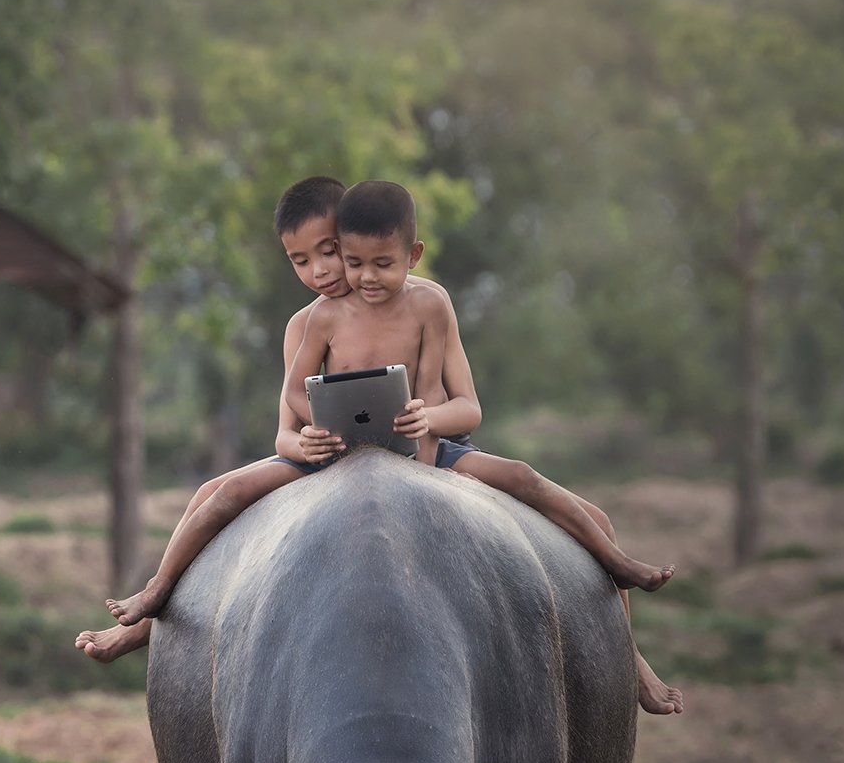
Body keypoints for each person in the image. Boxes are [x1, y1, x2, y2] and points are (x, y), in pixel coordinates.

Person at [77, 177, 683, 715]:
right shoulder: (312, 321)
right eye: (303, 260)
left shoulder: (428, 303)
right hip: (329, 457)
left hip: (426, 450)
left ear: (391, 251)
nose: (328, 271)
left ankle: (629, 648)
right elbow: (288, 413)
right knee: (219, 491)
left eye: (332, 253)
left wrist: (430, 418)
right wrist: (303, 440)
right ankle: (153, 603)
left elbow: (466, 406)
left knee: (540, 486)